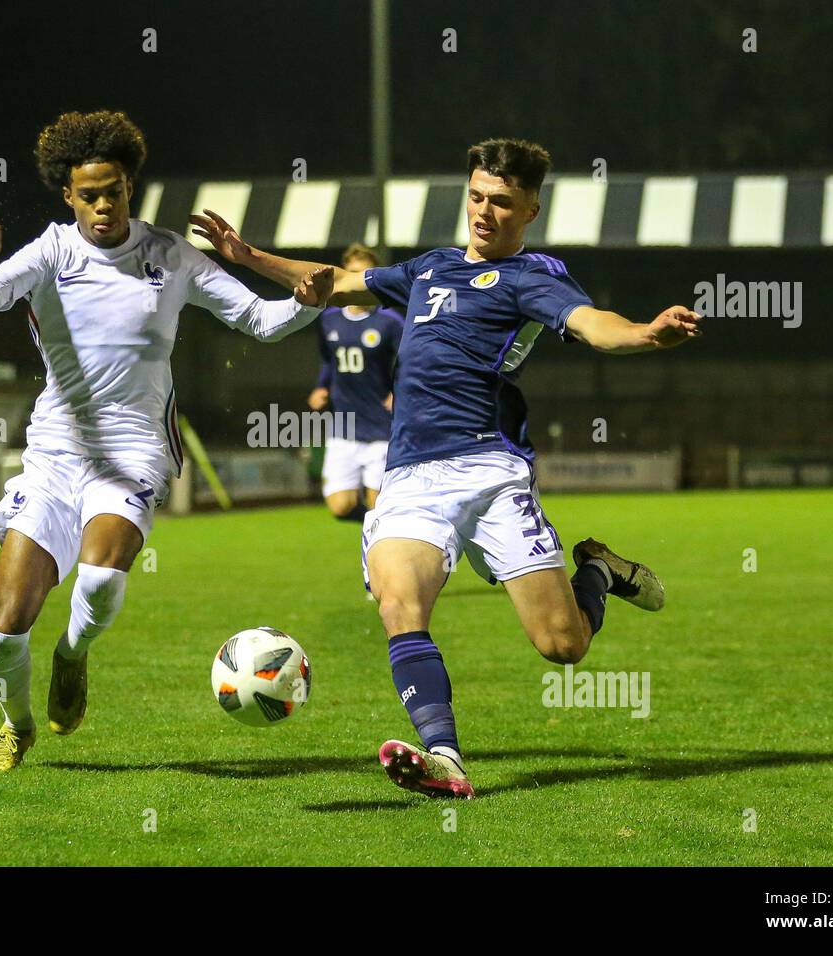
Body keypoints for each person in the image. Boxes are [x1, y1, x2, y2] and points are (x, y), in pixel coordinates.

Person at [190, 137, 702, 798]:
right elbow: (336, 282)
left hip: (489, 471)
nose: (485, 212)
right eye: (477, 196)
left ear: (531, 212)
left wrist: (641, 333)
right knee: (398, 603)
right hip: (408, 477)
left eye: (503, 203)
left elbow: (589, 321)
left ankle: (598, 569)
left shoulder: (532, 278)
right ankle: (444, 757)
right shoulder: (428, 268)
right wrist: (248, 256)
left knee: (563, 648)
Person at [0, 109, 332, 772]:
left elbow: (259, 321)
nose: (104, 206)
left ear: (131, 187)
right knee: (6, 628)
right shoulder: (50, 252)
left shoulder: (169, 256)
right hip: (53, 453)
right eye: (89, 195)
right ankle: (15, 725)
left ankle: (72, 654)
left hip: (133, 450)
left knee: (98, 579)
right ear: (67, 195)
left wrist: (302, 301)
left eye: (115, 191)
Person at [306, 244, 404, 523]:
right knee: (340, 506)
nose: (355, 280)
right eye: (350, 273)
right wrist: (321, 387)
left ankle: (384, 539)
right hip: (344, 425)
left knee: (379, 505)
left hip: (381, 426)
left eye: (362, 274)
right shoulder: (329, 319)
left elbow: (409, 359)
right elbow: (328, 360)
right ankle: (378, 526)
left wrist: (399, 391)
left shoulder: (389, 321)